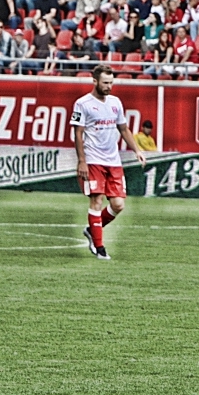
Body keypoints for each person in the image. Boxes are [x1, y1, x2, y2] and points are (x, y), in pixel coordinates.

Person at [72, 65, 147, 261]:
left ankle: (91, 230)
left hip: (113, 160)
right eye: (105, 83)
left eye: (111, 83)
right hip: (93, 160)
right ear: (95, 81)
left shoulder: (115, 102)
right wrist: (82, 161)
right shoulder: (82, 104)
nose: (109, 87)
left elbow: (123, 129)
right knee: (96, 200)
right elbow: (78, 134)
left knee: (118, 204)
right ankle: (99, 247)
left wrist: (137, 150)